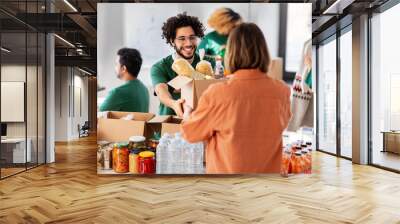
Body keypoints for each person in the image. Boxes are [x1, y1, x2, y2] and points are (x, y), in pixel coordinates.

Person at [181, 23, 292, 174]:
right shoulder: (282, 91)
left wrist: (187, 113)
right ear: (264, 52)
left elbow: (190, 134)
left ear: (231, 53)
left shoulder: (217, 93)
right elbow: (281, 125)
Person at [151, 13, 215, 116]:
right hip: (170, 124)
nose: (188, 43)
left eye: (192, 37)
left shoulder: (208, 63)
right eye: (182, 39)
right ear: (172, 41)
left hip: (202, 122)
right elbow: (161, 91)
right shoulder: (160, 67)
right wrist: (174, 104)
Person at [99, 48, 149, 112]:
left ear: (123, 68)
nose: (115, 67)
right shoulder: (144, 89)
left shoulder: (117, 93)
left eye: (116, 64)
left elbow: (100, 113)